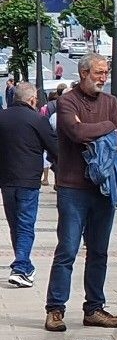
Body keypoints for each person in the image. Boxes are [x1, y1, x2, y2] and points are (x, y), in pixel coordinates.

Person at [44, 52, 117, 332]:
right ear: (83, 73)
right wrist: (108, 128)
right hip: (73, 188)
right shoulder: (67, 101)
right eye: (98, 73)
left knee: (99, 252)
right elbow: (76, 133)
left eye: (106, 73)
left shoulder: (110, 102)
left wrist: (99, 129)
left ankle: (94, 308)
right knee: (67, 249)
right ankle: (55, 309)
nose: (103, 79)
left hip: (103, 189)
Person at [0, 83, 58, 288]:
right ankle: (20, 267)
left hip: (6, 181)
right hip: (29, 180)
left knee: (15, 224)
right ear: (32, 100)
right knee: (25, 224)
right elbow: (55, 148)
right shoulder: (37, 119)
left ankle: (24, 266)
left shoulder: (2, 117)